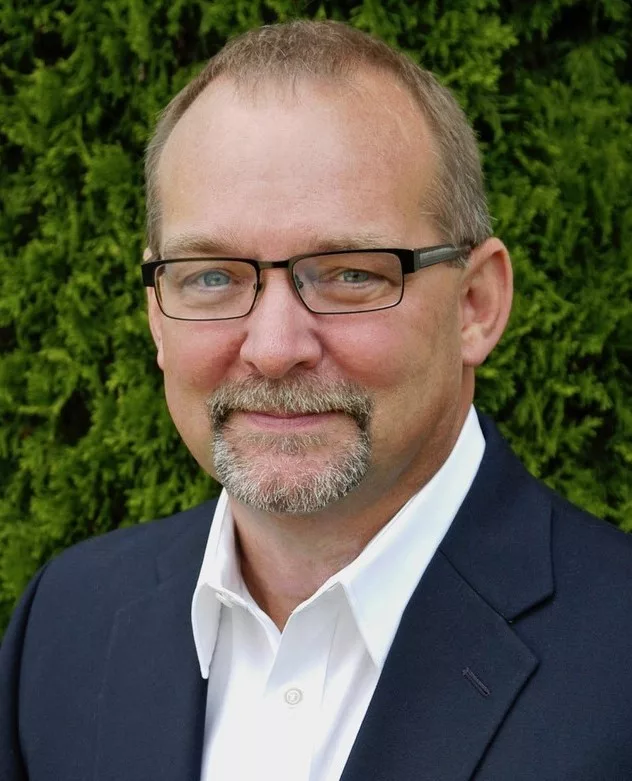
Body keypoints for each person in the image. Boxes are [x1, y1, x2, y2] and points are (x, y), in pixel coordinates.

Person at [1, 19, 632, 781]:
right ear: (157, 317)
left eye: (350, 273)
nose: (274, 347)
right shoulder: (65, 621)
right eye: (211, 277)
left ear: (476, 304)